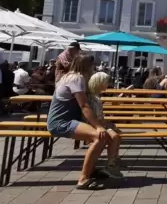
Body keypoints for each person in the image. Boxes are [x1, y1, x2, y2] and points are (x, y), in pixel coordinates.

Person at [46, 54, 121, 190]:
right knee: (99, 137)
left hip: (67, 120)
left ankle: (92, 170)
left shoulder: (69, 76)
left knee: (103, 136)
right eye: (93, 66)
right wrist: (98, 126)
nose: (94, 69)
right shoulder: (77, 79)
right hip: (61, 122)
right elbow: (84, 106)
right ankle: (84, 179)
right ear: (87, 66)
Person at [86, 72, 123, 176]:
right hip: (95, 125)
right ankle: (111, 164)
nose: (108, 84)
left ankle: (114, 160)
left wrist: (109, 124)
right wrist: (108, 125)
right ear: (99, 83)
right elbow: (96, 118)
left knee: (117, 135)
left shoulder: (96, 96)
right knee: (114, 136)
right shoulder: (92, 98)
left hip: (100, 124)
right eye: (106, 82)